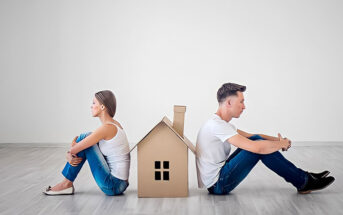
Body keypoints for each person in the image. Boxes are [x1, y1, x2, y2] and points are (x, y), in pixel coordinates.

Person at [196, 83, 335, 195]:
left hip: (219, 177)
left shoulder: (219, 123)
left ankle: (305, 177)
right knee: (257, 148)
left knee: (256, 139)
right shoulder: (217, 126)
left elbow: (252, 136)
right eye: (241, 102)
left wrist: (279, 141)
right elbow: (258, 148)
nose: (244, 106)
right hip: (218, 185)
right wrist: (281, 145)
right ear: (228, 103)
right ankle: (304, 181)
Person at [43, 90, 130, 196]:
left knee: (85, 136)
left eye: (94, 103)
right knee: (86, 139)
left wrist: (70, 152)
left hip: (113, 185)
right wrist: (75, 148)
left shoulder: (107, 128)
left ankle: (66, 184)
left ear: (102, 107)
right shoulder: (114, 124)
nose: (91, 106)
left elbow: (75, 149)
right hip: (121, 184)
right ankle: (66, 184)